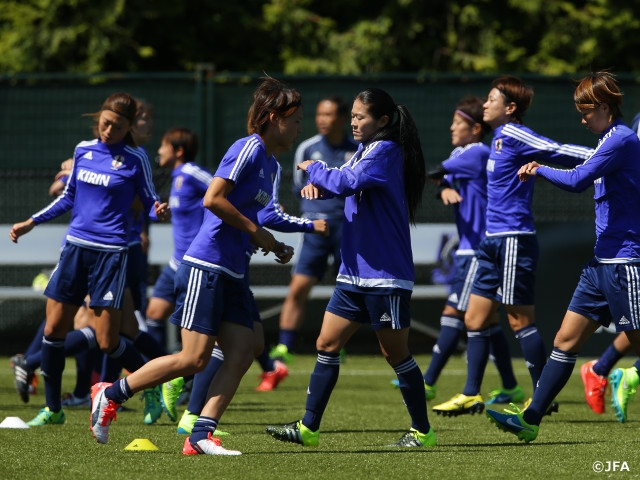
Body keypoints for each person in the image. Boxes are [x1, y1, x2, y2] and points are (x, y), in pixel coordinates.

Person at [88, 76, 299, 456]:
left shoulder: (273, 165)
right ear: (272, 117)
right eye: (295, 118)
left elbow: (255, 214)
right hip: (209, 263)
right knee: (193, 358)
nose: (299, 126)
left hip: (234, 269)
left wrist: (273, 241)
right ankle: (111, 393)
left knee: (246, 347)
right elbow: (214, 200)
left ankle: (201, 433)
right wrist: (258, 233)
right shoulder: (248, 148)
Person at [266, 87, 434, 448]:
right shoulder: (365, 150)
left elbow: (350, 180)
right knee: (326, 343)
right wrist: (319, 189)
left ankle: (423, 431)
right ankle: (309, 427)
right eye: (354, 116)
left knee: (396, 354)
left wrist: (316, 170)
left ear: (383, 121)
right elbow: (346, 185)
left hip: (383, 275)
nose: (354, 123)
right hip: (354, 272)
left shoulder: (386, 150)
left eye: (361, 117)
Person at [486, 70, 640, 441]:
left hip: (624, 262)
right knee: (564, 342)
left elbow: (576, 181)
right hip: (599, 264)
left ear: (604, 106)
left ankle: (611, 373)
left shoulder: (620, 139)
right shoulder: (608, 138)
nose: (581, 118)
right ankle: (531, 419)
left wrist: (539, 169)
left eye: (586, 111)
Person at [431, 76, 594, 418]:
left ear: (510, 108)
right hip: (491, 242)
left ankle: (541, 397)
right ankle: (471, 394)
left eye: (492, 99)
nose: (485, 104)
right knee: (475, 320)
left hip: (513, 240)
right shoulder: (498, 141)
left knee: (519, 321)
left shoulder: (515, 132)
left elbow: (557, 149)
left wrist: (602, 157)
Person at [9, 92, 171, 426]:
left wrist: (160, 211)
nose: (109, 129)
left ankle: (150, 383)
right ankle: (54, 410)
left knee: (108, 340)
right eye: (106, 122)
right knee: (53, 330)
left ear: (128, 128)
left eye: (118, 125)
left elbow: (151, 203)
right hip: (75, 249)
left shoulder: (135, 158)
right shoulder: (83, 150)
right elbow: (68, 198)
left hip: (111, 255)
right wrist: (31, 221)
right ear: (99, 117)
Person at [397, 96, 523, 407]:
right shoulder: (461, 152)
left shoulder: (478, 152)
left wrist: (410, 172)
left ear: (476, 128)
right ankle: (511, 386)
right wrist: (444, 189)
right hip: (470, 247)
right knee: (489, 323)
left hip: (479, 248)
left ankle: (428, 382)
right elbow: (443, 179)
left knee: (455, 312)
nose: (452, 127)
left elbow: (435, 171)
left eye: (458, 123)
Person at [268, 95, 358, 369]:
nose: (321, 120)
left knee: (350, 289)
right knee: (298, 287)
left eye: (328, 115)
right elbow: (298, 186)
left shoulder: (356, 149)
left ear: (342, 119)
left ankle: (337, 344)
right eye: (318, 114)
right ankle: (285, 346)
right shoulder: (306, 148)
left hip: (348, 227)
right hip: (314, 228)